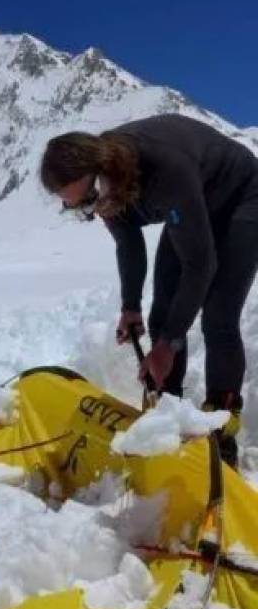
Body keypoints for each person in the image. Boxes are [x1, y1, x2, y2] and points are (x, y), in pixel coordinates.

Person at [39, 113, 258, 468]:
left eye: (90, 198)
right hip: (190, 203)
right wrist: (130, 307)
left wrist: (169, 344)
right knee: (162, 313)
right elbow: (128, 244)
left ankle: (221, 425)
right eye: (79, 207)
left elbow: (201, 266)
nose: (93, 211)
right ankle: (167, 412)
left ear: (104, 168)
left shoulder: (164, 169)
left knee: (218, 316)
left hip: (242, 197)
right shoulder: (104, 191)